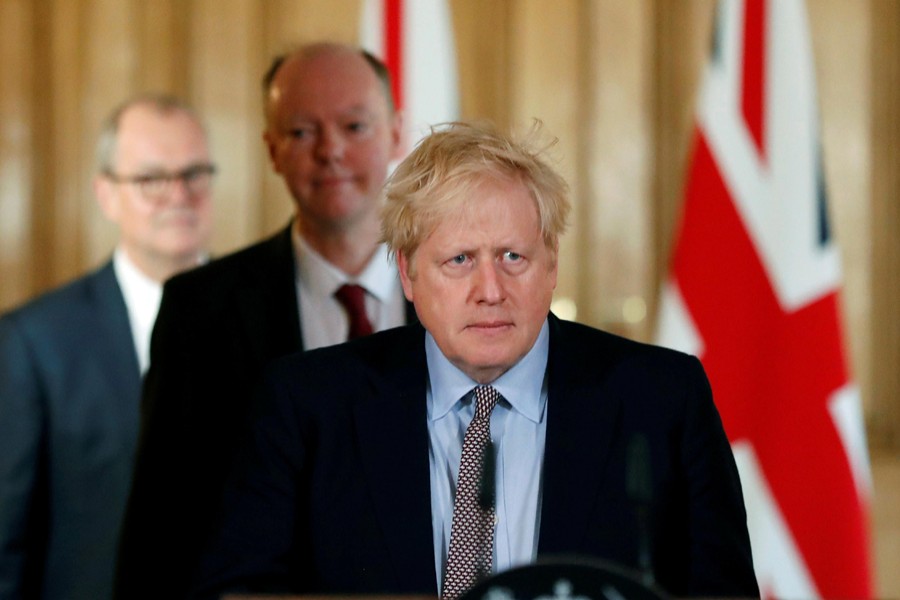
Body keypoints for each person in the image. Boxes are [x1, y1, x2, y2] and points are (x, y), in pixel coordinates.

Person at [191, 121, 759, 599]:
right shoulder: (308, 403)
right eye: (459, 260)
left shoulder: (659, 398)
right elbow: (240, 591)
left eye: (514, 256)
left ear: (552, 264)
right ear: (409, 273)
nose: (491, 289)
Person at [114, 43, 415, 599]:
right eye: (302, 132)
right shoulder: (198, 311)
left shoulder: (463, 294)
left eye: (354, 125)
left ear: (396, 134)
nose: (331, 151)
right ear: (271, 149)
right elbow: (158, 527)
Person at [0, 94, 214, 600]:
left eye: (194, 174)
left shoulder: (263, 315)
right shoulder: (35, 341)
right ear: (106, 194)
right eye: (150, 179)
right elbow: (7, 541)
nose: (178, 194)